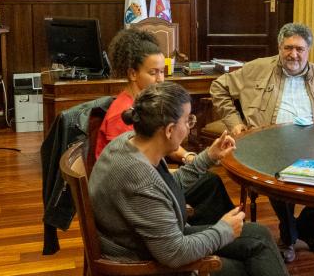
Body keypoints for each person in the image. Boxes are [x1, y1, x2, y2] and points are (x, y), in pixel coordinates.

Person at [90, 82, 290, 276]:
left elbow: (165, 188)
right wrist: (224, 230)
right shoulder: (140, 181)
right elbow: (175, 253)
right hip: (148, 269)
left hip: (155, 245)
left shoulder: (127, 143)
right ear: (169, 130)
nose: (189, 127)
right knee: (251, 270)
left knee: (259, 235)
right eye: (187, 121)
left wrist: (208, 157)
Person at [210, 22, 314, 262]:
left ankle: (308, 229)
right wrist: (235, 123)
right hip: (267, 145)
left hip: (313, 145)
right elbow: (218, 87)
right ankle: (289, 237)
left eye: (300, 49)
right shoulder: (257, 68)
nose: (294, 54)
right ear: (279, 48)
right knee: (279, 180)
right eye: (288, 48)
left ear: (309, 50)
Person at [96, 28, 233, 225]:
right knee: (209, 184)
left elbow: (161, 144)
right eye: (153, 73)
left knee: (209, 182)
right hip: (132, 194)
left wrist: (189, 157)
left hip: (150, 177)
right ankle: (216, 232)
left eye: (162, 72)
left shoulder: (147, 103)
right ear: (133, 73)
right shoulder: (122, 115)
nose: (160, 79)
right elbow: (133, 175)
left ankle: (220, 230)